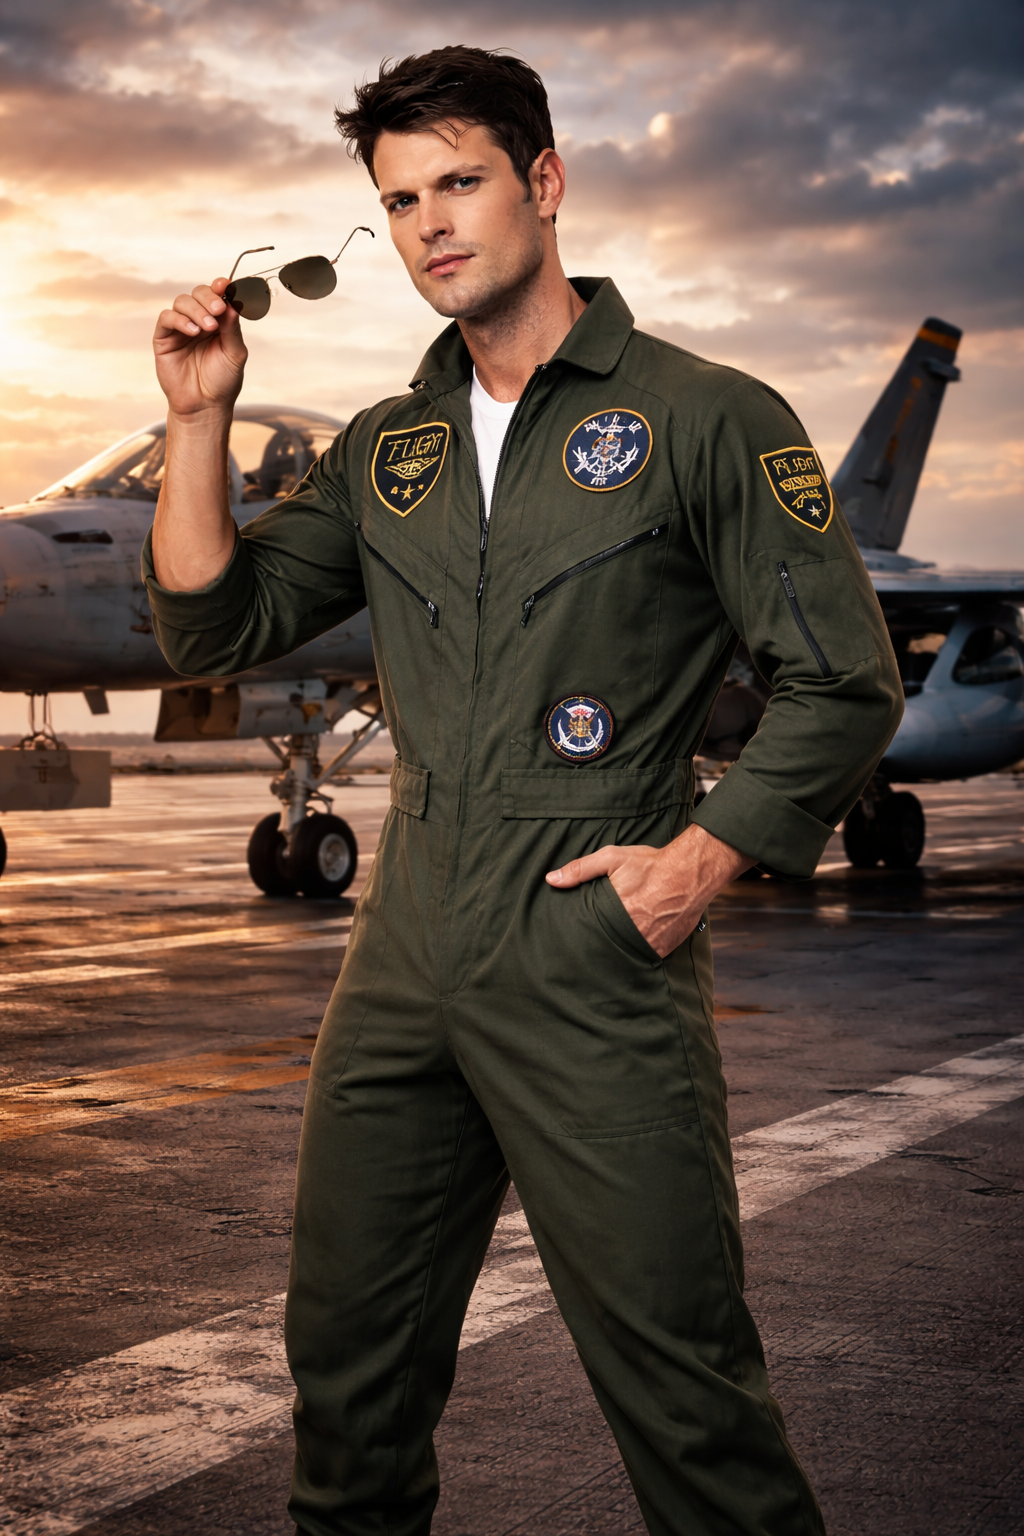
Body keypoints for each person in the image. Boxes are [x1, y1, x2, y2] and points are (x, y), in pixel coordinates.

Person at [147, 45, 902, 1536]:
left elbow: (844, 680)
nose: (430, 223)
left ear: (545, 185)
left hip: (589, 942)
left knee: (685, 1396)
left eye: (461, 182)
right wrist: (194, 419)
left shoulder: (707, 414)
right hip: (406, 950)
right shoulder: (391, 449)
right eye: (399, 197)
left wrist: (702, 861)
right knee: (347, 1385)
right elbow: (211, 624)